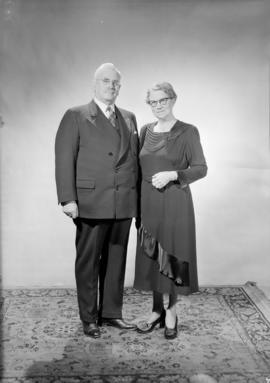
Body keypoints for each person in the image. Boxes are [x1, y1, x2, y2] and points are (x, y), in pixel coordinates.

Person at [55, 63, 139, 338]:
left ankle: (111, 313)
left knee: (116, 261)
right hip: (90, 201)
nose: (111, 86)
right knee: (89, 263)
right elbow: (64, 159)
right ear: (95, 84)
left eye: (116, 82)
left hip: (123, 202)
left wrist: (137, 202)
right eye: (106, 81)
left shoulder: (129, 116)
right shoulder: (76, 115)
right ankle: (89, 318)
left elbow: (134, 163)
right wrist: (68, 198)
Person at [134, 82, 207, 339]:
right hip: (149, 203)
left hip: (175, 203)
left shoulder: (187, 132)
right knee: (153, 254)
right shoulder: (144, 131)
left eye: (162, 100)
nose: (158, 106)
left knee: (172, 257)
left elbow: (200, 168)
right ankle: (156, 311)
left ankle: (172, 312)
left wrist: (173, 174)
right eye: (152, 102)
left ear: (173, 99)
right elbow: (138, 169)